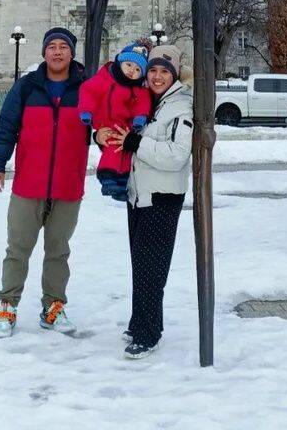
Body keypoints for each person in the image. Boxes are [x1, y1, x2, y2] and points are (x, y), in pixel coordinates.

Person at [0, 26, 89, 339]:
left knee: (58, 252)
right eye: (52, 46)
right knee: (17, 249)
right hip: (29, 185)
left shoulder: (86, 88)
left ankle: (53, 306)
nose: (57, 52)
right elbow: (7, 127)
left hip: (67, 186)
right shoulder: (27, 87)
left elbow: (106, 125)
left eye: (63, 46)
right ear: (44, 52)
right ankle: (8, 305)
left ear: (72, 53)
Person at [101, 42, 193, 360]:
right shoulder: (149, 102)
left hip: (162, 196)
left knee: (152, 269)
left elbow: (177, 156)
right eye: (152, 70)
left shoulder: (181, 107)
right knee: (140, 265)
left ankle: (149, 332)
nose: (156, 76)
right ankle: (139, 321)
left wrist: (134, 141)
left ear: (174, 74)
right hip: (139, 195)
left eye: (163, 71)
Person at [78, 41, 152, 200]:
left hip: (125, 126)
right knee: (112, 150)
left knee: (125, 153)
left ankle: (121, 184)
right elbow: (88, 91)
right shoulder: (104, 78)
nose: (132, 71)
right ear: (120, 62)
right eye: (129, 65)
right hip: (106, 123)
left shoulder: (137, 88)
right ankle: (108, 178)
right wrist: (86, 111)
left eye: (138, 69)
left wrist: (140, 118)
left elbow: (142, 102)